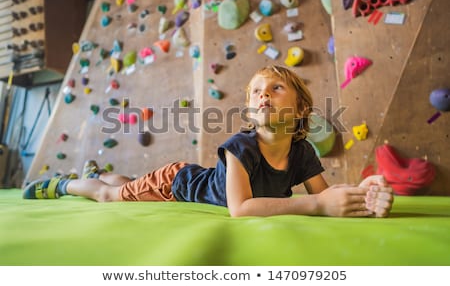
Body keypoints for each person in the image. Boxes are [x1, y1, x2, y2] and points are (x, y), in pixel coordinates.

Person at [23, 65, 393, 218]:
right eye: (257, 93)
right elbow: (241, 209)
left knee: (130, 186)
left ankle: (100, 173)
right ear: (250, 111)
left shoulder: (302, 151)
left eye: (276, 89)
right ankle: (65, 183)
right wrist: (315, 206)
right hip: (176, 182)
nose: (264, 96)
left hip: (189, 177)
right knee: (111, 196)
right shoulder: (241, 147)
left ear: (300, 111)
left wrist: (361, 192)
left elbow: (324, 191)